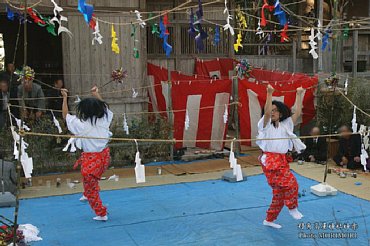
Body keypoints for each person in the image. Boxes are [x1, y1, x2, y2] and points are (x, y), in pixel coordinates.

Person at [256, 84, 306, 229]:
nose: (272, 113)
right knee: (291, 184)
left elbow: (296, 112)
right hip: (271, 160)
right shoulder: (264, 125)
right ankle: (292, 207)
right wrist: (269, 93)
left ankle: (269, 219)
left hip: (282, 159)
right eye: (270, 110)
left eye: (275, 111)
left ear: (281, 114)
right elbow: (266, 114)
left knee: (278, 194)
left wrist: (299, 95)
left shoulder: (286, 125)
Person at [61, 86, 113, 221]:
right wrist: (97, 94)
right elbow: (105, 107)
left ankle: (102, 214)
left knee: (92, 188)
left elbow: (65, 116)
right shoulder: (105, 119)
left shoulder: (82, 125)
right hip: (104, 157)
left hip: (92, 160)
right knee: (92, 179)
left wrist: (65, 98)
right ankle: (86, 192)